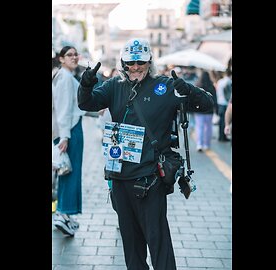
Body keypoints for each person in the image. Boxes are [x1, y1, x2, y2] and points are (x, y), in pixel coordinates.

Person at [77, 38, 214, 270]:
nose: (136, 67)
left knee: (158, 241)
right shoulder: (114, 86)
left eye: (141, 61)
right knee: (131, 245)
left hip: (151, 178)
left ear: (149, 61)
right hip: (119, 177)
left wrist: (188, 89)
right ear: (123, 63)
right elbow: (86, 104)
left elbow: (207, 104)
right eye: (131, 62)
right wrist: (86, 84)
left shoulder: (165, 86)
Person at [52, 46, 85, 237]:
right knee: (69, 172)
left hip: (71, 128)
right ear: (61, 59)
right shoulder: (64, 77)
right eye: (69, 55)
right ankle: (63, 213)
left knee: (66, 171)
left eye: (75, 54)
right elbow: (63, 108)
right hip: (70, 131)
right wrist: (64, 136)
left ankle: (65, 213)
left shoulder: (65, 76)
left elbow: (75, 105)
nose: (74, 57)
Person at [194, 70, 217, 151]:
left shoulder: (198, 85)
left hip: (199, 110)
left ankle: (199, 144)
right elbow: (215, 99)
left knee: (199, 127)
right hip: (209, 110)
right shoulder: (211, 86)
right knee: (208, 127)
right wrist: (216, 109)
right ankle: (207, 144)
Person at [215, 70, 231, 141]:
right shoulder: (229, 82)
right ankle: (223, 137)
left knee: (221, 121)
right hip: (225, 104)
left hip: (219, 102)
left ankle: (220, 136)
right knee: (224, 121)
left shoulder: (219, 81)